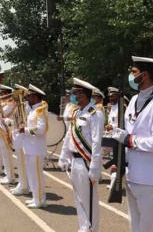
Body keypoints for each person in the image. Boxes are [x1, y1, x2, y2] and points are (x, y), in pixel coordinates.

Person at [111, 56, 153, 232]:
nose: (130, 76)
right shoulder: (133, 101)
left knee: (151, 227)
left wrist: (129, 140)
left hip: (150, 179)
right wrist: (118, 164)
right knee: (135, 226)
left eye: (134, 72)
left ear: (144, 75)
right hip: (132, 175)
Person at [58, 78, 105, 231]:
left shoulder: (95, 114)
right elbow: (69, 135)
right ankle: (83, 227)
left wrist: (95, 166)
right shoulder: (77, 112)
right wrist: (63, 155)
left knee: (89, 199)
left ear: (83, 95)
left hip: (86, 161)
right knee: (79, 197)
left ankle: (92, 228)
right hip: (75, 161)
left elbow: (97, 142)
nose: (74, 97)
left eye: (76, 93)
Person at [19, 84, 49, 209]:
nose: (27, 98)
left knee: (37, 174)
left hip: (36, 148)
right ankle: (35, 197)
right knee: (31, 174)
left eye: (30, 96)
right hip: (29, 147)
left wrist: (26, 130)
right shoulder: (31, 109)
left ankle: (41, 200)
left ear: (36, 97)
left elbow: (42, 129)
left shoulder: (40, 110)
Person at [9, 84, 29, 196]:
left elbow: (23, 122)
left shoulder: (24, 107)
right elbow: (17, 122)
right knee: (21, 163)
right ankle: (22, 184)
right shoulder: (18, 107)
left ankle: (23, 186)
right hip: (17, 137)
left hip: (22, 139)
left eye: (17, 96)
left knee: (22, 164)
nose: (14, 98)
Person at [0, 84, 15, 185]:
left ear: (7, 93)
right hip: (1, 129)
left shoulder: (11, 102)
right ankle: (7, 175)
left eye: (2, 93)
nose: (0, 95)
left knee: (8, 155)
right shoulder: (4, 102)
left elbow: (3, 112)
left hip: (7, 130)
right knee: (4, 155)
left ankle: (11, 177)